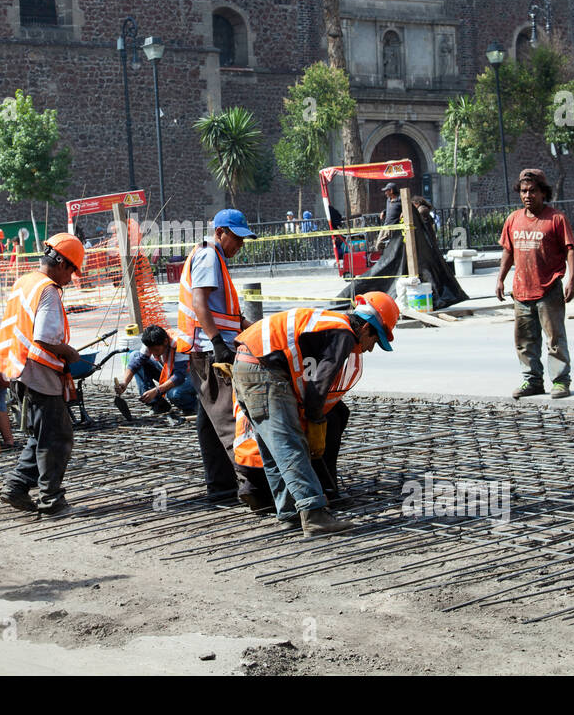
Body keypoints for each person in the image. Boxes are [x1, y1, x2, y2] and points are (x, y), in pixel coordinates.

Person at [230, 293, 396, 536]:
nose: (370, 349)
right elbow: (320, 385)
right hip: (262, 369)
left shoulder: (330, 325)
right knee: (289, 445)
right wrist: (316, 418)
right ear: (367, 328)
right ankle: (315, 514)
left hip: (247, 363)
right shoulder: (344, 334)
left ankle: (289, 514)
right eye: (375, 340)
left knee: (273, 449)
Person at [0, 233, 84, 516]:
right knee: (56, 437)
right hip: (39, 371)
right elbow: (44, 337)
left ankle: (17, 487)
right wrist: (69, 353)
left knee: (41, 435)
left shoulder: (25, 281)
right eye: (71, 270)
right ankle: (52, 500)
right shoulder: (48, 289)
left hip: (19, 369)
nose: (70, 278)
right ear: (61, 262)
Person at [178, 208, 257, 502]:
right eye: (236, 238)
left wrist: (256, 331)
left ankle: (220, 486)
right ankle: (252, 485)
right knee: (228, 418)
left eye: (243, 240)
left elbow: (229, 317)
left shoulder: (216, 258)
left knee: (209, 422)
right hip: (212, 354)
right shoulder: (209, 255)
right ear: (220, 232)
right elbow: (200, 301)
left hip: (209, 350)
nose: (240, 245)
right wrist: (217, 343)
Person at [496, 168, 574, 399]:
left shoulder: (556, 219)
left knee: (555, 339)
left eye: (532, 191)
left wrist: (572, 279)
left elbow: (570, 250)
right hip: (521, 291)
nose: (527, 195)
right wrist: (500, 279)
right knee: (524, 341)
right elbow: (508, 251)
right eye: (523, 191)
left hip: (549, 289)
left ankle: (561, 381)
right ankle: (532, 381)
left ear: (543, 193)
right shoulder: (513, 219)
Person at [114, 324, 198, 416]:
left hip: (190, 375)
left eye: (156, 350)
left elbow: (179, 376)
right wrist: (124, 383)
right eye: (151, 350)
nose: (153, 353)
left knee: (174, 394)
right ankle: (158, 405)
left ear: (165, 341)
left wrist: (156, 390)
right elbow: (135, 363)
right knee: (134, 355)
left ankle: (195, 407)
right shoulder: (151, 343)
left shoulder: (179, 344)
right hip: (169, 372)